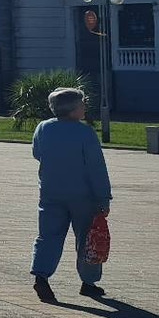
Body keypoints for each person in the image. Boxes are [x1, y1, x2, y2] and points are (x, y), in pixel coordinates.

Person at [30, 86, 111, 303]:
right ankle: (88, 282)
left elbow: (37, 153)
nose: (85, 108)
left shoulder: (43, 128)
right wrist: (103, 197)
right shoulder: (85, 132)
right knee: (86, 238)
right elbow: (96, 167)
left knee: (48, 236)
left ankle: (41, 275)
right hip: (83, 195)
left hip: (50, 192)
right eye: (82, 104)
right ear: (73, 109)